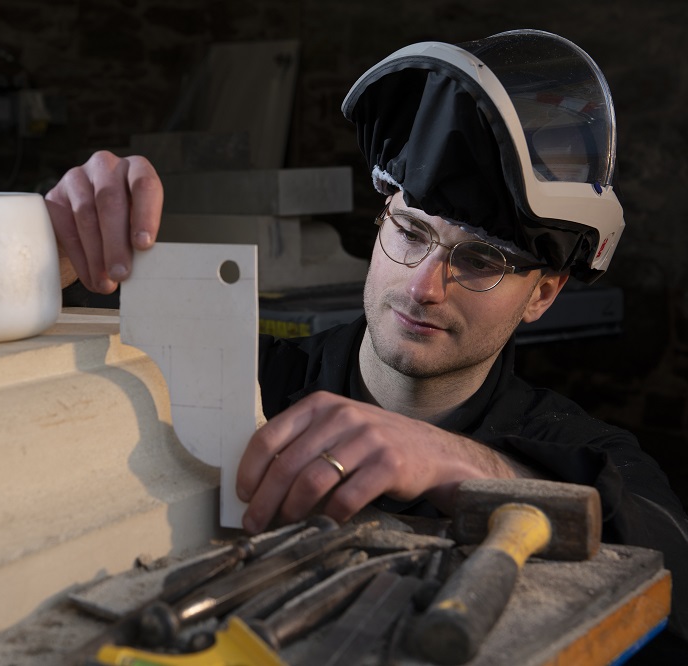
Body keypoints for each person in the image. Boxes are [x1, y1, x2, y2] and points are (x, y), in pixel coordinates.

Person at [44, 29, 688, 647]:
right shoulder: (250, 383)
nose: (423, 287)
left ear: (542, 294)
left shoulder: (579, 449)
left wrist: (461, 465)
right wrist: (46, 260)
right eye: (409, 231)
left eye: (482, 262)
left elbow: (669, 559)